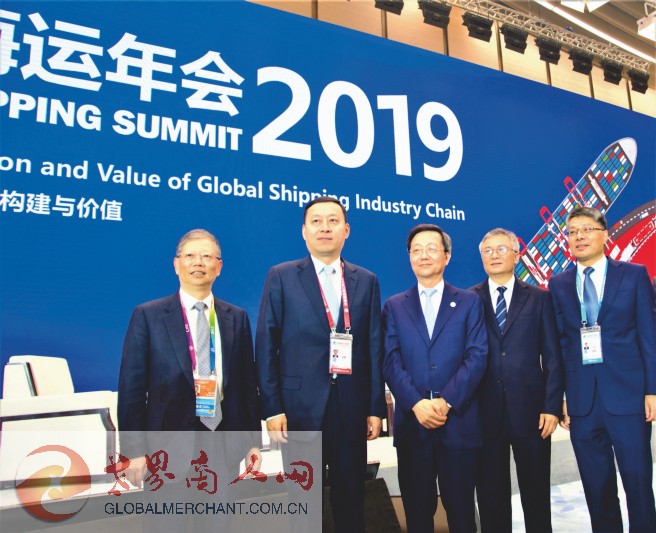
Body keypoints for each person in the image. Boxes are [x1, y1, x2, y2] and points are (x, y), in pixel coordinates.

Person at [256, 196, 386, 532]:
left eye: (333, 221)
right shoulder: (282, 276)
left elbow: (374, 347)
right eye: (316, 221)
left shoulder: (366, 280)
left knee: (351, 501)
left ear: (346, 230)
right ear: (304, 231)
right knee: (303, 505)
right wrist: (272, 408)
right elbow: (267, 344)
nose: (324, 227)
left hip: (351, 409)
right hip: (298, 411)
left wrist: (375, 407)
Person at [117, 229, 261, 489]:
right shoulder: (148, 316)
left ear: (219, 267)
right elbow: (131, 391)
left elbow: (247, 387)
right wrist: (133, 451)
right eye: (190, 256)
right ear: (176, 265)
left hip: (223, 443)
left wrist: (253, 442)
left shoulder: (236, 317)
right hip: (165, 448)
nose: (198, 263)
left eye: (207, 256)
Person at [549, 207, 656, 532]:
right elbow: (560, 345)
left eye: (587, 229)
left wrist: (652, 390)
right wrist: (561, 397)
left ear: (605, 234)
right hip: (582, 403)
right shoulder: (559, 284)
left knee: (638, 484)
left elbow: (648, 335)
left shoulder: (634, 275)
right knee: (597, 489)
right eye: (572, 232)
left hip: (629, 398)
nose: (579, 237)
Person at [382, 223, 487, 533]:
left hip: (458, 423)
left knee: (462, 513)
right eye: (416, 250)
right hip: (413, 426)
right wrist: (416, 403)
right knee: (417, 514)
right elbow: (390, 359)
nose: (423, 255)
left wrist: (446, 401)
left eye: (431, 249)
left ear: (447, 256)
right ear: (409, 257)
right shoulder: (394, 305)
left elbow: (477, 355)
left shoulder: (469, 302)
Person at [470, 228, 564, 533]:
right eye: (488, 251)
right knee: (491, 498)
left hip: (533, 414)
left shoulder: (539, 298)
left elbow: (553, 357)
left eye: (501, 249)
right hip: (484, 415)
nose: (494, 256)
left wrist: (551, 406)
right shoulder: (468, 300)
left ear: (516, 254)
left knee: (536, 496)